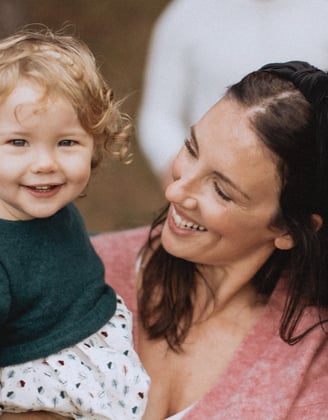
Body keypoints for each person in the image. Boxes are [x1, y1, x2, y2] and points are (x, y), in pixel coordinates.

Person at [4, 59, 328, 419]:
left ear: (286, 228)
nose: (175, 190)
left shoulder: (312, 367)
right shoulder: (63, 269)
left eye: (221, 190)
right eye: (190, 149)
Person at [0, 27, 149, 419]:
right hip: (45, 387)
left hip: (95, 351)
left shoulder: (42, 201)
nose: (46, 163)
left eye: (67, 142)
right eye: (18, 142)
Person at [138, 0, 328, 184]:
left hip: (305, 186)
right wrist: (183, 173)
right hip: (210, 184)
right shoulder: (187, 13)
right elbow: (159, 114)